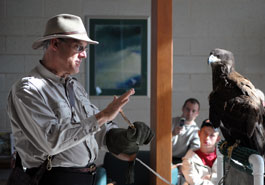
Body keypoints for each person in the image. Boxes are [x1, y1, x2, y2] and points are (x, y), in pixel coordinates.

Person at [6, 14, 153, 185]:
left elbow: (94, 133)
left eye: (85, 49)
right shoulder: (28, 89)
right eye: (78, 47)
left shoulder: (75, 88)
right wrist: (104, 115)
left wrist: (123, 138)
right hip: (51, 180)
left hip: (86, 178)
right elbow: (51, 142)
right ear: (54, 44)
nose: (84, 55)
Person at [181, 119, 220, 185]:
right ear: (199, 133)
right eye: (205, 133)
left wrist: (211, 177)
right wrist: (216, 179)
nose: (207, 138)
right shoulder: (189, 159)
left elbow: (229, 178)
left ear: (218, 138)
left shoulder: (225, 157)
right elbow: (195, 182)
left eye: (212, 135)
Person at [172, 98, 201, 164]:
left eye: (193, 111)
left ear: (197, 113)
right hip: (165, 157)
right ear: (183, 109)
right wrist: (173, 134)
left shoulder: (196, 131)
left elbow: (194, 151)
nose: (189, 113)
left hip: (181, 161)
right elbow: (160, 141)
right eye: (187, 109)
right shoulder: (171, 122)